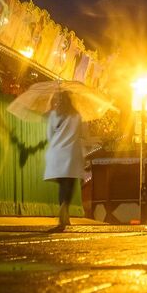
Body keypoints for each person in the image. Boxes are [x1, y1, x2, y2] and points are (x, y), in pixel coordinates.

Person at [44, 90, 84, 230]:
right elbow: (82, 134)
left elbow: (49, 136)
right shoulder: (77, 116)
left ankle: (63, 212)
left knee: (62, 185)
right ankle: (65, 208)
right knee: (70, 183)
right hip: (71, 153)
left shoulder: (54, 115)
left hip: (55, 153)